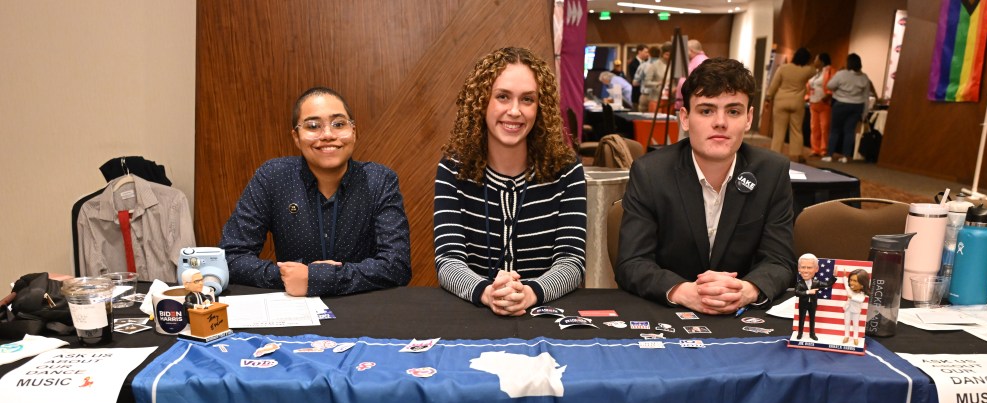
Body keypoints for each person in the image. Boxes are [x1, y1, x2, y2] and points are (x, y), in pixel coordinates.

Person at [617, 58, 796, 313]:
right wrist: (683, 291)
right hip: (670, 314)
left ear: (749, 118)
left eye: (733, 111)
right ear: (685, 118)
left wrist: (747, 289)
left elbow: (780, 261)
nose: (720, 122)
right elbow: (631, 262)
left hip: (741, 317)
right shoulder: (650, 173)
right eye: (706, 110)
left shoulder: (772, 172)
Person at [433, 46, 586, 316]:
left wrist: (530, 293)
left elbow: (571, 262)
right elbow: (448, 260)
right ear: (482, 102)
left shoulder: (566, 169)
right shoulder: (453, 169)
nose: (514, 111)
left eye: (527, 99)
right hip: (475, 315)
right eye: (503, 97)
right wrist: (487, 292)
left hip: (545, 315)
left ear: (541, 107)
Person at [218, 86, 412, 297]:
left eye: (339, 124)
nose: (328, 134)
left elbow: (398, 265)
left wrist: (319, 277)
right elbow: (231, 256)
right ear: (296, 137)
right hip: (294, 308)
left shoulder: (379, 180)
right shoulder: (273, 177)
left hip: (362, 306)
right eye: (313, 126)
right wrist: (286, 276)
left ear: (353, 132)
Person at [823, 53, 876, 163]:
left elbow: (829, 85)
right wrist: (865, 113)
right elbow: (866, 96)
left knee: (835, 130)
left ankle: (829, 155)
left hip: (840, 104)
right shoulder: (864, 77)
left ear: (848, 63)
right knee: (849, 131)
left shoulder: (841, 74)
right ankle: (845, 156)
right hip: (857, 106)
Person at [765, 47, 815, 163]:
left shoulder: (783, 68)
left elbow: (774, 85)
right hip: (797, 102)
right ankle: (796, 155)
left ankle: (775, 155)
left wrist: (768, 98)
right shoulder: (808, 70)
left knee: (779, 130)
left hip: (781, 101)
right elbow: (815, 70)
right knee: (796, 129)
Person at [794, 253, 835, 340]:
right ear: (799, 269)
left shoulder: (816, 283)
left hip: (812, 304)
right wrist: (809, 292)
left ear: (816, 269)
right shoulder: (800, 283)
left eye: (809, 267)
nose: (805, 271)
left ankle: (812, 334)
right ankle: (800, 333)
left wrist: (834, 276)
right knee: (801, 319)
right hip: (803, 304)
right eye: (803, 267)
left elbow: (828, 284)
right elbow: (797, 292)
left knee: (812, 319)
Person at [807, 52, 835, 157]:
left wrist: (828, 95)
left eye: (816, 59)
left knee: (824, 127)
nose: (814, 61)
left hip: (824, 103)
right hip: (813, 102)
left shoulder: (830, 71)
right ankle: (815, 149)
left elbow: (832, 85)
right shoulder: (816, 72)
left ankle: (824, 149)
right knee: (814, 127)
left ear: (822, 61)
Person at [842, 268, 869, 344]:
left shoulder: (862, 294)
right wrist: (844, 276)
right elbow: (845, 284)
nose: (851, 283)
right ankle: (846, 336)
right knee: (847, 323)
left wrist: (852, 297)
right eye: (851, 280)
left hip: (856, 311)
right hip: (847, 309)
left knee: (855, 324)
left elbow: (861, 300)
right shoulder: (849, 289)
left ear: (862, 284)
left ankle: (855, 337)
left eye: (855, 281)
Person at [637, 44, 666, 113]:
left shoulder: (643, 65)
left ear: (649, 53)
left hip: (645, 95)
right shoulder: (664, 66)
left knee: (643, 120)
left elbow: (635, 82)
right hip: (659, 97)